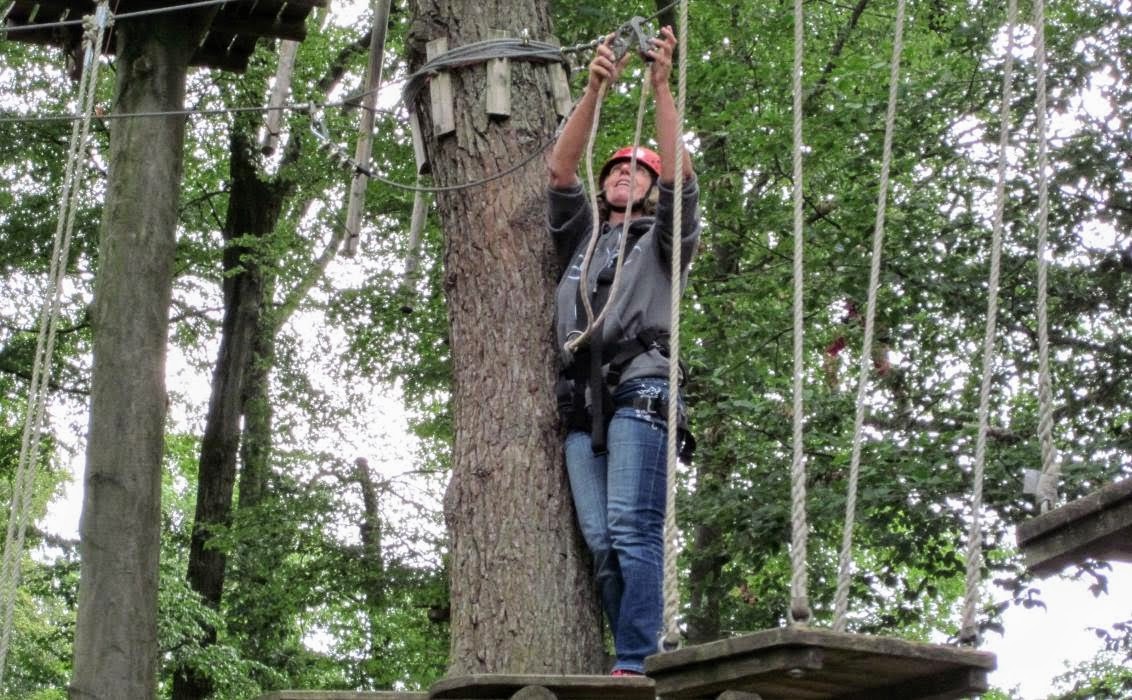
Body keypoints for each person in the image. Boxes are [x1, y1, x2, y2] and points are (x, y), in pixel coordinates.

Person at [546, 26, 700, 676]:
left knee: (633, 531)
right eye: (614, 171)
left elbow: (683, 179)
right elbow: (559, 171)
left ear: (652, 186)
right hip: (584, 408)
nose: (623, 178)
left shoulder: (664, 241)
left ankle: (638, 661)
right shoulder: (582, 240)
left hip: (641, 392)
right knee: (602, 540)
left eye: (638, 171)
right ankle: (628, 656)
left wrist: (660, 87)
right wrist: (595, 90)